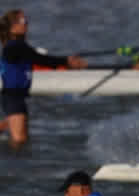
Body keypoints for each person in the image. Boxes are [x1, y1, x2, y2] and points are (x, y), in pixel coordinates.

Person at [0, 9, 85, 148]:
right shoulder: (14, 46)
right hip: (12, 97)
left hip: (18, 97)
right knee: (19, 142)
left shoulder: (19, 46)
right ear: (13, 27)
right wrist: (66, 61)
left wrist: (65, 63)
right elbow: (40, 59)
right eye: (23, 21)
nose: (26, 23)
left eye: (26, 20)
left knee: (22, 140)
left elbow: (39, 59)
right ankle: (13, 167)